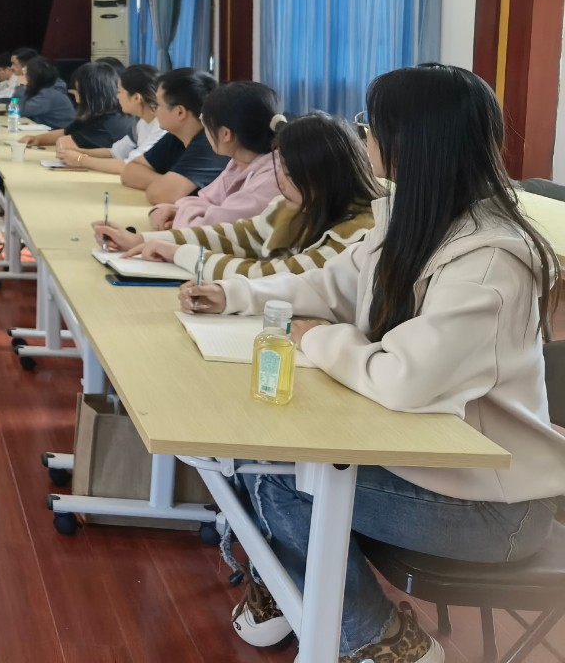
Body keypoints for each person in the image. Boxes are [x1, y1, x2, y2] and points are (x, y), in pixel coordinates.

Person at [180, 65, 565, 663]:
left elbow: (402, 380)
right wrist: (235, 296)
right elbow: (330, 285)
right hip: (428, 464)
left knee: (275, 477)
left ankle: (380, 637)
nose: (363, 136)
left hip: (494, 504)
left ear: (408, 141)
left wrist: (317, 340)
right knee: (250, 455)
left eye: (370, 125)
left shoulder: (491, 262)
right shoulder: (411, 215)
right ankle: (294, 592)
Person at [94, 112, 380, 281]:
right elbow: (237, 235)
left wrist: (179, 253)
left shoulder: (358, 233)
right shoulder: (293, 206)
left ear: (324, 177)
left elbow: (278, 276)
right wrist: (144, 240)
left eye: (290, 173)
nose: (280, 181)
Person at [150, 80, 280, 230]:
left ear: (225, 134)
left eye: (205, 123)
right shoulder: (240, 162)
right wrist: (170, 210)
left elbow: (204, 229)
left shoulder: (269, 180)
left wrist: (179, 215)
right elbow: (206, 199)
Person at [119, 68, 227, 207]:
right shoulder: (176, 135)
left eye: (158, 105)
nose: (155, 111)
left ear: (180, 112)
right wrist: (167, 182)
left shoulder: (212, 142)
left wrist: (167, 185)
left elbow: (160, 195)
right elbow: (129, 172)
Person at [56, 64, 166, 172]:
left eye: (119, 91)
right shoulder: (142, 122)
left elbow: (131, 165)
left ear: (136, 98)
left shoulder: (162, 127)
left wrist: (81, 160)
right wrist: (78, 152)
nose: (117, 96)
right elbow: (115, 152)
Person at [22, 62, 132, 148]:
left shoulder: (109, 123)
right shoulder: (97, 114)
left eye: (78, 91)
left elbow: (65, 143)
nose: (77, 99)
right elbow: (66, 132)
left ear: (90, 94)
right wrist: (38, 139)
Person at [16, 54, 76, 129]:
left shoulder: (47, 94)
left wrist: (21, 86)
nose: (24, 75)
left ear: (33, 76)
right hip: (52, 130)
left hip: (59, 133)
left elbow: (18, 111)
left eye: (26, 73)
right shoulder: (46, 88)